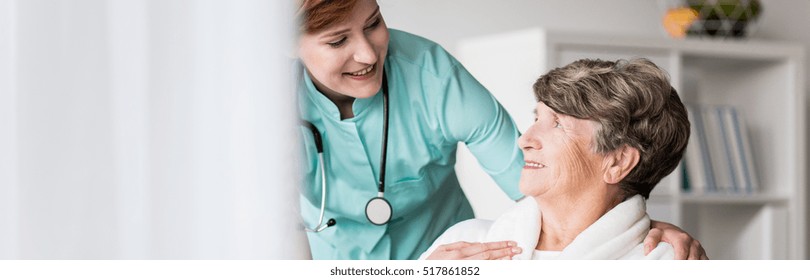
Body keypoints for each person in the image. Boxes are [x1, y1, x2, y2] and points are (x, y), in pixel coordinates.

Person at [296, 0, 705, 260]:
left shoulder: (431, 77)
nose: (368, 53)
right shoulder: (255, 108)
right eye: (337, 41)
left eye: (374, 23)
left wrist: (635, 223)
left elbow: (534, 176)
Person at [421, 58, 704, 260]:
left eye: (557, 123)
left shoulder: (667, 264)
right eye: (536, 118)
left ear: (618, 161)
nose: (525, 140)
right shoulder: (460, 246)